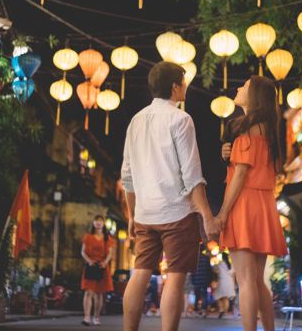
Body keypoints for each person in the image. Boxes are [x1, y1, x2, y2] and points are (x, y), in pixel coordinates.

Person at [121, 62, 221, 331]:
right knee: (175, 279)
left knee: (139, 274)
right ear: (175, 87)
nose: (185, 87)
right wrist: (208, 217)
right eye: (184, 82)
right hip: (177, 213)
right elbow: (192, 176)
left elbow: (127, 177)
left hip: (145, 214)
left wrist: (132, 215)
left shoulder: (136, 121)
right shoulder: (181, 119)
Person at [219, 76, 288, 331]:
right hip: (263, 203)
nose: (239, 88)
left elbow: (240, 175)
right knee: (257, 281)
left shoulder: (246, 131)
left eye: (245, 87)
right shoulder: (268, 132)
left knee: (246, 281)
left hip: (244, 203)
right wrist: (229, 152)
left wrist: (223, 213)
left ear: (255, 97)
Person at [81, 216, 115, 326]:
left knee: (99, 293)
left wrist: (105, 262)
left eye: (100, 221)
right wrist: (89, 261)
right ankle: (86, 317)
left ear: (103, 223)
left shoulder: (107, 238)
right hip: (91, 265)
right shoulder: (88, 237)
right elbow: (83, 252)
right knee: (88, 292)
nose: (98, 223)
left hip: (102, 267)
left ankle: (96, 317)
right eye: (96, 221)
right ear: (93, 222)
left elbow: (110, 253)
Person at [213, 253, 236, 318]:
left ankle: (221, 309)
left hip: (222, 281)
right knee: (226, 297)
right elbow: (233, 273)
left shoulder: (220, 263)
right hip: (229, 282)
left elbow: (215, 270)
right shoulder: (230, 264)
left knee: (217, 296)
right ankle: (225, 311)